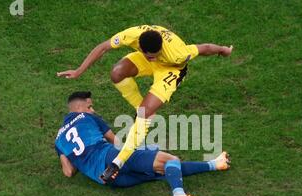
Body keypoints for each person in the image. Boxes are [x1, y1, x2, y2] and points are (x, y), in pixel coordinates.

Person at [57, 25, 233, 183]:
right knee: (117, 73)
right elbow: (103, 47)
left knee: (144, 114)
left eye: (154, 56)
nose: (152, 59)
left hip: (171, 69)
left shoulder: (177, 53)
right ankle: (142, 111)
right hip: (147, 57)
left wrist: (223, 50)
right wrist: (79, 70)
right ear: (140, 47)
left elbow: (206, 48)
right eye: (149, 56)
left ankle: (118, 161)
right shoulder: (131, 35)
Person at [55, 91, 231, 196]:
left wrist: (79, 157)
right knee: (169, 159)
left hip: (110, 180)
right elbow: (117, 143)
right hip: (112, 157)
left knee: (163, 170)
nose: (92, 110)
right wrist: (142, 150)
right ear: (78, 108)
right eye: (89, 106)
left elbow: (69, 172)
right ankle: (179, 194)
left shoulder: (59, 140)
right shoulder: (87, 118)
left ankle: (216, 164)